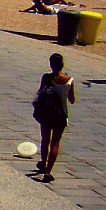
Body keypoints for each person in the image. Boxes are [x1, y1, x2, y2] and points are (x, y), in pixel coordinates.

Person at [31, 53, 76, 183]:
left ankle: (43, 163)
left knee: (45, 140)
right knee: (55, 143)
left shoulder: (46, 77)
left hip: (46, 113)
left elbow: (40, 92)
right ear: (62, 65)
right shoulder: (69, 80)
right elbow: (72, 100)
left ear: (51, 65)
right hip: (61, 114)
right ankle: (48, 172)